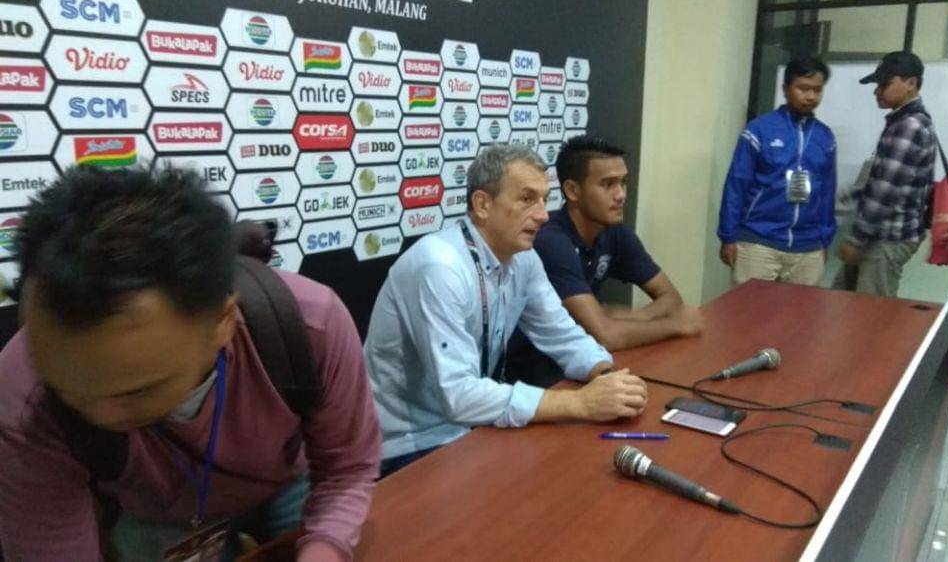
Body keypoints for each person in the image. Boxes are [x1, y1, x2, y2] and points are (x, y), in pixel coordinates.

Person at [0, 167, 380, 562]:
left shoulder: (311, 325)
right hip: (150, 511)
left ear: (222, 322)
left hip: (284, 483)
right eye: (70, 392)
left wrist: (325, 547)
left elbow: (347, 468)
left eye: (137, 390)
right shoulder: (24, 396)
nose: (100, 414)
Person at [364, 144, 648, 476]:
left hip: (468, 426)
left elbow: (563, 333)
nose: (543, 215)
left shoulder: (523, 258)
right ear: (483, 204)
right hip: (405, 444)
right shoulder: (439, 267)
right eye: (527, 199)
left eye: (544, 199)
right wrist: (581, 403)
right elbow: (458, 396)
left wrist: (606, 377)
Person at [505, 135, 702, 387]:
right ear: (573, 191)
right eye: (608, 184)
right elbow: (606, 335)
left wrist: (624, 317)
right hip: (535, 373)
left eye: (623, 182)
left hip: (586, 359)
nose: (621, 195)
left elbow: (671, 298)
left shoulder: (614, 232)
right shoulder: (551, 241)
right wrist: (675, 326)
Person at [718, 56, 837, 287]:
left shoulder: (825, 137)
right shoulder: (759, 130)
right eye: (803, 88)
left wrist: (824, 239)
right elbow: (736, 185)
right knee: (750, 309)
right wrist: (728, 236)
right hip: (759, 242)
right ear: (786, 89)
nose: (811, 96)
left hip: (808, 247)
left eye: (817, 90)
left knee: (801, 310)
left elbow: (827, 193)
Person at [835, 51, 936, 297]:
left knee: (871, 313)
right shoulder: (906, 121)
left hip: (888, 238)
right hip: (881, 234)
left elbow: (884, 193)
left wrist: (856, 240)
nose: (877, 91)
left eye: (884, 84)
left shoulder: (908, 126)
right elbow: (881, 181)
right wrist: (838, 199)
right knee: (843, 302)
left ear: (911, 83)